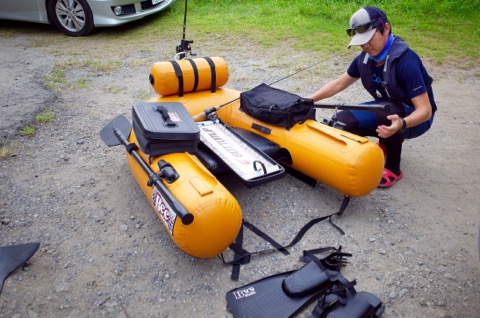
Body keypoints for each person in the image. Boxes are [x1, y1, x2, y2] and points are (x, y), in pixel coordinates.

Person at [308, 6, 436, 188]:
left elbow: (425, 110)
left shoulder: (406, 61)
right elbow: (338, 84)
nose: (366, 46)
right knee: (342, 120)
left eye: (369, 39)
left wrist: (403, 124)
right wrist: (308, 100)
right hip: (387, 109)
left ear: (386, 29)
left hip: (416, 119)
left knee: (388, 112)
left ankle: (393, 167)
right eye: (361, 42)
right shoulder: (365, 58)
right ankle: (382, 144)